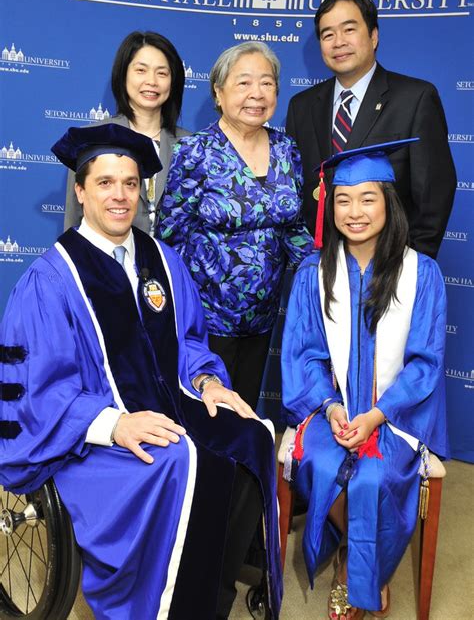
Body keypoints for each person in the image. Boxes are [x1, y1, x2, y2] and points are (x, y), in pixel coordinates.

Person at [0, 123, 282, 620]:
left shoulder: (164, 263)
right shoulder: (51, 278)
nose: (120, 196)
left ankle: (209, 597)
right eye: (105, 182)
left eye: (130, 183)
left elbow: (190, 342)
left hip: (172, 402)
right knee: (178, 461)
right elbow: (40, 389)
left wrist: (208, 381)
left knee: (252, 436)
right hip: (87, 434)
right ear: (81, 190)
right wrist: (115, 423)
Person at [281, 141, 449, 619]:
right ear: (329, 206)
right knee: (322, 462)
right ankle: (361, 568)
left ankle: (356, 569)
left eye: (367, 198)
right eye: (343, 199)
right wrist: (333, 409)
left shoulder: (422, 274)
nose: (354, 212)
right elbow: (303, 355)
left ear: (388, 203)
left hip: (395, 412)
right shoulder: (312, 273)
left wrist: (375, 414)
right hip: (329, 408)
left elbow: (424, 364)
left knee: (373, 475)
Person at [157, 42, 313, 410]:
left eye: (267, 83)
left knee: (245, 416)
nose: (256, 94)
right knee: (207, 420)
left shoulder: (287, 149)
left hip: (262, 317)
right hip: (205, 320)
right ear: (219, 92)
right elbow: (170, 235)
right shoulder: (195, 151)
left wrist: (328, 272)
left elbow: (293, 229)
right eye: (244, 83)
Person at [286, 0, 456, 259]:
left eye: (349, 29)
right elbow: (296, 194)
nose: (338, 42)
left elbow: (433, 197)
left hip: (390, 269)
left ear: (373, 36)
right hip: (321, 267)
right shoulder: (302, 106)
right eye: (327, 34)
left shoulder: (415, 98)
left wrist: (408, 268)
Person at [64, 30, 189, 234]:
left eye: (162, 73)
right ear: (123, 75)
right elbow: (74, 219)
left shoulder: (192, 146)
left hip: (173, 263)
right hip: (106, 262)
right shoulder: (93, 139)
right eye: (141, 70)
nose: (152, 81)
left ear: (173, 81)